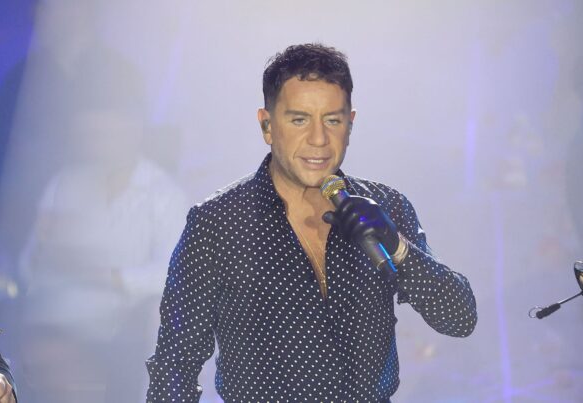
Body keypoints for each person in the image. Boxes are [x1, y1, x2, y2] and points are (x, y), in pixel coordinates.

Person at [146, 43, 477, 402]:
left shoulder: (387, 207)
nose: (319, 139)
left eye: (332, 120)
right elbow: (175, 364)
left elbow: (459, 319)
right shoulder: (218, 224)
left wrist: (397, 247)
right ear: (267, 125)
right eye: (299, 120)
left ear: (350, 124)